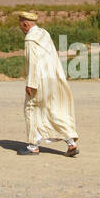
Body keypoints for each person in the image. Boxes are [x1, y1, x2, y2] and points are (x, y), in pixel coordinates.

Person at [19, 11, 79, 156]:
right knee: (54, 110)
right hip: (53, 79)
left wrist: (31, 83)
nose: (21, 27)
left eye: (21, 24)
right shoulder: (44, 33)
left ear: (25, 24)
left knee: (31, 110)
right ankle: (71, 143)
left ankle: (33, 146)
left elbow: (33, 62)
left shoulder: (30, 39)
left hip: (39, 81)